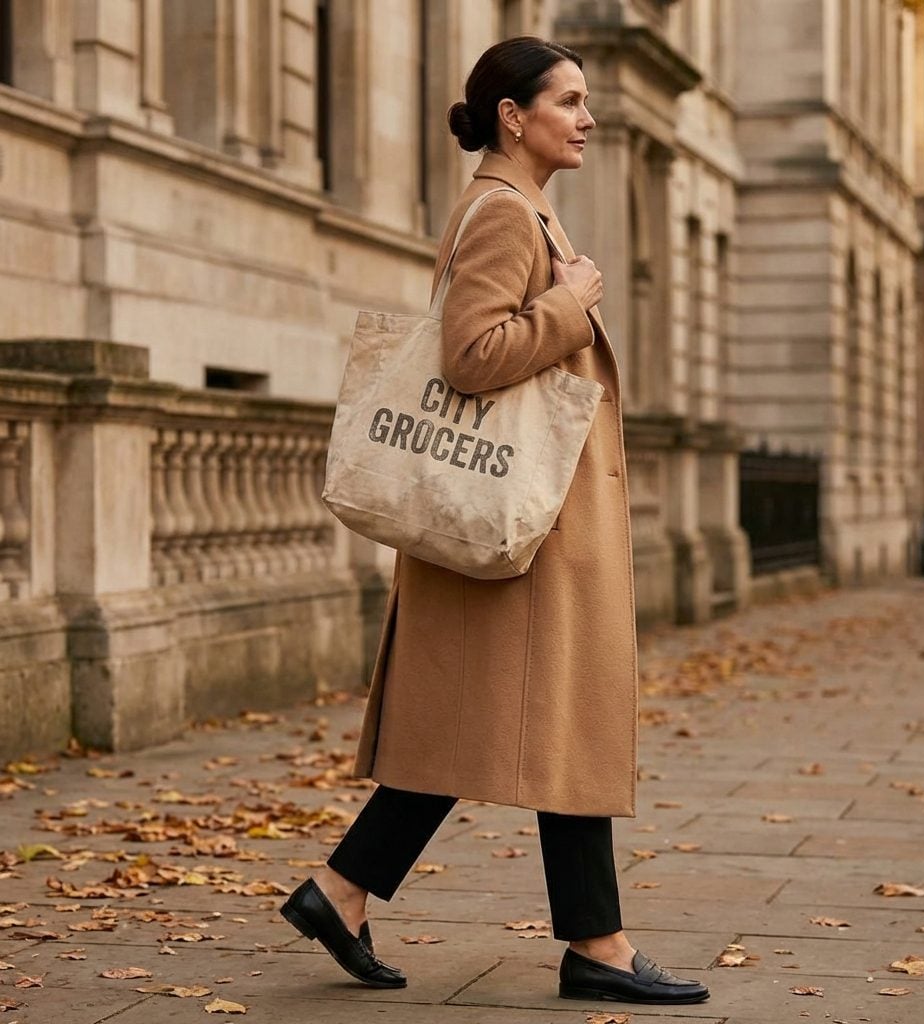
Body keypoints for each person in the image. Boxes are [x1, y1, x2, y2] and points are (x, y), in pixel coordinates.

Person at [281, 36, 710, 1007]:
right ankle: (592, 945)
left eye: (586, 100)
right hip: (523, 535)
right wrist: (567, 306)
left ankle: (344, 891)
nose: (586, 117)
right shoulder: (504, 216)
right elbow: (473, 356)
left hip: (532, 532)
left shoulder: (522, 210)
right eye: (567, 100)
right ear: (512, 116)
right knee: (551, 724)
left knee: (520, 729)